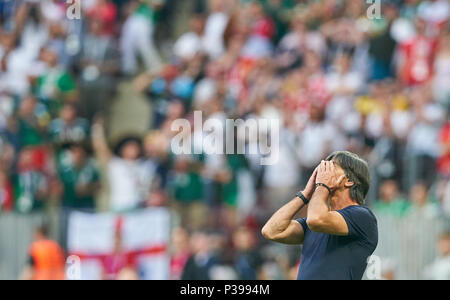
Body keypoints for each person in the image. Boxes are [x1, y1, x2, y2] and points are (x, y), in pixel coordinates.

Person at [262, 151, 378, 280]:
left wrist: (322, 186)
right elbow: (271, 231)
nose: (323, 171)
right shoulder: (313, 223)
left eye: (331, 166)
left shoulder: (362, 217)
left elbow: (316, 219)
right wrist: (305, 194)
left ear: (349, 180)